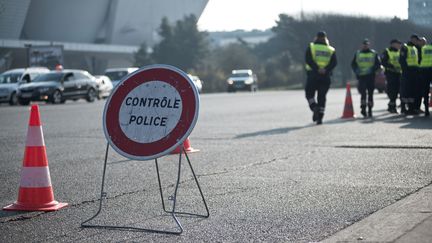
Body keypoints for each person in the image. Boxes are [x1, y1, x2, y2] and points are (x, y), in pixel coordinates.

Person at [304, 31, 337, 125]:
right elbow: (334, 63)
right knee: (322, 96)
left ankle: (314, 107)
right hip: (325, 76)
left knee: (309, 94)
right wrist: (325, 69)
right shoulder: (331, 49)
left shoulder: (311, 47)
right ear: (326, 38)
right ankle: (320, 118)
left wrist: (317, 69)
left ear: (316, 37)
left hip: (313, 75)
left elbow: (308, 60)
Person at [351, 39, 381, 117]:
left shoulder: (373, 53)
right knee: (363, 93)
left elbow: (378, 64)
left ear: (369, 45)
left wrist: (372, 69)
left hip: (370, 76)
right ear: (362, 45)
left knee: (370, 94)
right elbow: (353, 64)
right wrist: (356, 70)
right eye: (364, 44)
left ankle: (370, 109)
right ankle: (363, 108)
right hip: (361, 76)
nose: (365, 46)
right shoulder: (357, 53)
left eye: (367, 44)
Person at [399, 34, 420, 115]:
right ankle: (403, 108)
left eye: (417, 40)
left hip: (414, 71)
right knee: (405, 91)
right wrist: (406, 71)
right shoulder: (405, 47)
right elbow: (402, 60)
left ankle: (411, 108)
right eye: (415, 39)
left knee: (412, 91)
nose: (416, 41)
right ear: (411, 39)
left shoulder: (415, 48)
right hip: (407, 72)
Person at [381, 39, 402, 113]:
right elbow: (383, 62)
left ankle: (392, 105)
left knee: (398, 90)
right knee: (392, 90)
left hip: (399, 73)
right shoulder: (387, 51)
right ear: (392, 44)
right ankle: (392, 106)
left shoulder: (400, 52)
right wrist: (391, 66)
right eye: (397, 44)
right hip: (391, 73)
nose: (399, 45)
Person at [419, 37, 432, 116]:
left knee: (425, 90)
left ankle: (426, 108)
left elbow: (419, 58)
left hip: (424, 70)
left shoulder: (424, 48)